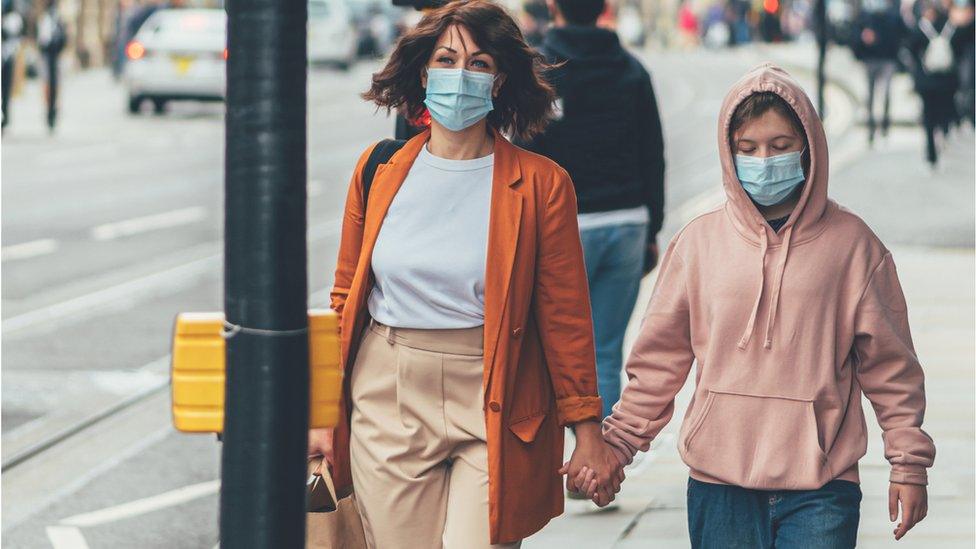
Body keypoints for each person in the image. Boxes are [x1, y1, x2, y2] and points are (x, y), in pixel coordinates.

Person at [578, 65, 936, 545]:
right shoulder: (698, 244)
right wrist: (617, 446)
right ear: (730, 154)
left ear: (808, 147)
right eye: (748, 149)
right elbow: (658, 362)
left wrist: (908, 466)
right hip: (717, 486)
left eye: (780, 146)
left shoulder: (855, 247)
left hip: (822, 488)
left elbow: (892, 368)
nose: (764, 161)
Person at [307, 1, 618, 547]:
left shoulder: (543, 185)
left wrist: (586, 430)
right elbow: (343, 299)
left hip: (495, 390)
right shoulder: (378, 169)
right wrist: (322, 414)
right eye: (446, 59)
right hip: (387, 391)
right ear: (424, 72)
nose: (460, 75)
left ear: (499, 82)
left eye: (479, 64)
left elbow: (564, 316)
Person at [518, 0, 665, 425]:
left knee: (548, 348)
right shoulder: (632, 70)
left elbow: (526, 154)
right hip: (627, 223)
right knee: (604, 348)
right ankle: (597, 465)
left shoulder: (540, 69)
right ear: (604, 8)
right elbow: (652, 154)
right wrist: (651, 227)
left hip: (563, 228)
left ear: (551, 6)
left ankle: (554, 463)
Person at [907, 0, 961, 166]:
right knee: (942, 112)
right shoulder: (950, 28)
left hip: (927, 82)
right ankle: (943, 133)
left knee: (929, 117)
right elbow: (958, 51)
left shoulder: (919, 29)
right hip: (946, 81)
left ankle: (931, 153)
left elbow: (911, 51)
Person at [851, 0, 908, 145]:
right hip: (870, 59)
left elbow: (904, 33)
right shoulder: (865, 15)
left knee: (886, 92)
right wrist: (862, 37)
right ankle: (871, 127)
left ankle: (884, 124)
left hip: (888, 59)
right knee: (870, 94)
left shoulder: (894, 13)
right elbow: (854, 35)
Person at [36, 0, 66, 132]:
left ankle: (54, 111)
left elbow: (65, 39)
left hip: (55, 58)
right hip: (48, 58)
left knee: (56, 85)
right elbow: (42, 42)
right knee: (48, 85)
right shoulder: (46, 20)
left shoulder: (58, 20)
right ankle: (49, 111)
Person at [1, 0, 23, 131]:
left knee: (6, 89)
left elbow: (17, 37)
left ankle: (5, 117)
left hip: (8, 58)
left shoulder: (14, 19)